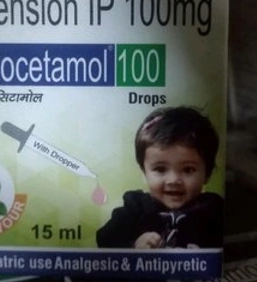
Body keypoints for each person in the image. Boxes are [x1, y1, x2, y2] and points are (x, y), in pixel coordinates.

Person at [96, 106, 224, 249]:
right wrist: (133, 246)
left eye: (188, 170)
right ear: (144, 173)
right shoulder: (135, 208)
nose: (173, 180)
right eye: (160, 169)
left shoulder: (213, 210)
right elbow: (105, 238)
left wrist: (206, 251)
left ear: (207, 173)